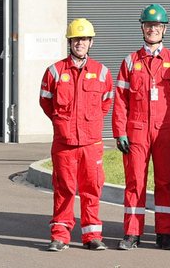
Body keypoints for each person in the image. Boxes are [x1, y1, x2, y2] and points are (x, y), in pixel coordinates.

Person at [113, 3, 170, 250]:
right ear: (142, 28)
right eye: (148, 25)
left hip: (166, 131)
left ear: (164, 29)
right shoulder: (130, 62)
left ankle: (164, 234)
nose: (152, 30)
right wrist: (120, 132)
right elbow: (120, 101)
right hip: (137, 129)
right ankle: (132, 233)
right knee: (135, 182)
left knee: (166, 182)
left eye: (157, 26)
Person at [39, 18, 114, 251]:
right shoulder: (54, 71)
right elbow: (46, 103)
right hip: (64, 143)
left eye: (84, 39)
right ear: (69, 42)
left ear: (91, 42)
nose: (80, 43)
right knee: (64, 189)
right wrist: (63, 123)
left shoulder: (102, 73)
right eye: (76, 40)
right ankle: (60, 236)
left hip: (91, 143)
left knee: (92, 188)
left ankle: (92, 236)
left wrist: (88, 125)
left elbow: (106, 103)